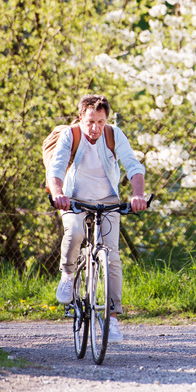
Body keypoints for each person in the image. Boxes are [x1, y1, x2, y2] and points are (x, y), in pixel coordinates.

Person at [47, 94, 148, 344]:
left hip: (108, 201)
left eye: (101, 122)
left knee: (112, 257)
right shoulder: (71, 135)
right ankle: (67, 275)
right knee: (75, 232)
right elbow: (56, 168)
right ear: (81, 118)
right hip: (74, 200)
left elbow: (133, 166)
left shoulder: (114, 135)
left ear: (106, 120)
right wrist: (58, 194)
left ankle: (112, 320)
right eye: (91, 122)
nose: (95, 128)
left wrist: (138, 195)